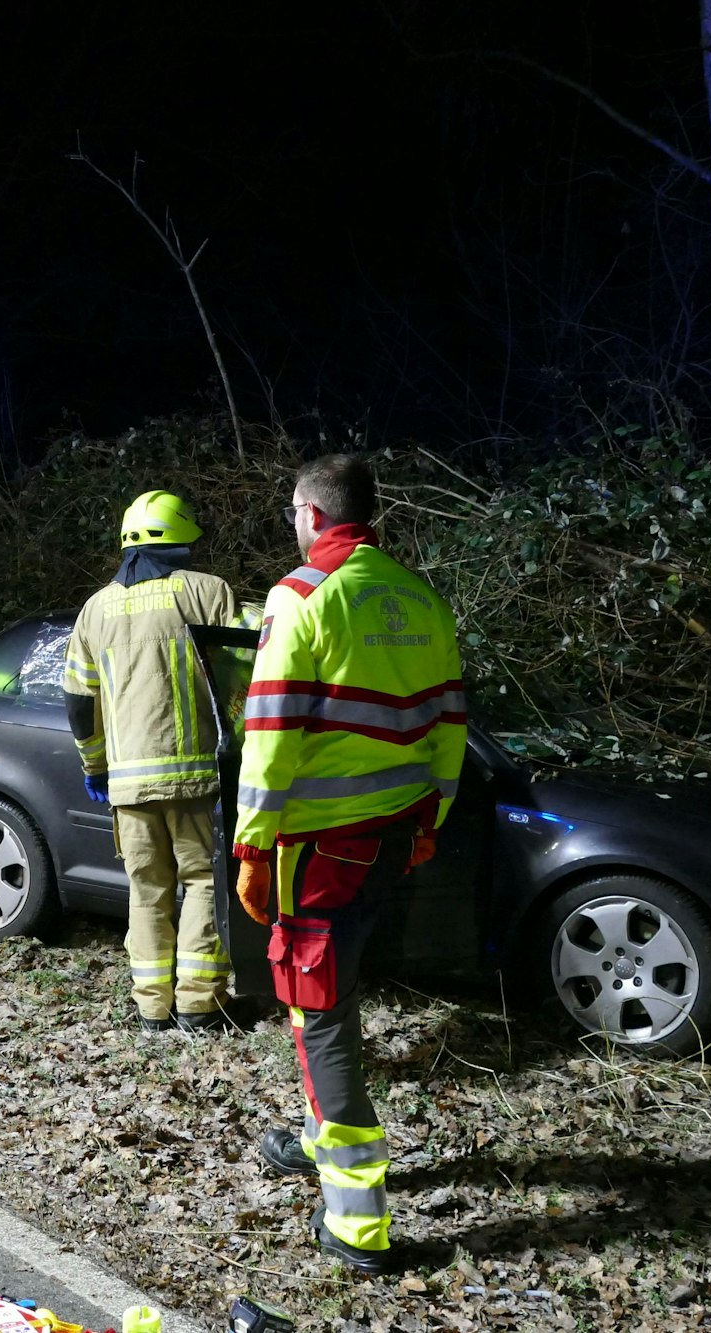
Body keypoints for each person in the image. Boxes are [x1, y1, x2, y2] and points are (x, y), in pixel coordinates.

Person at [231, 454, 467, 1274]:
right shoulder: (422, 600)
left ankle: (357, 1221)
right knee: (332, 999)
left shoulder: (301, 598)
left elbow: (270, 738)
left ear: (309, 513)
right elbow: (450, 731)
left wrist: (253, 845)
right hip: (393, 839)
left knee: (318, 1011)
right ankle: (312, 1138)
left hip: (318, 850)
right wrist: (429, 820)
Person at [63, 489, 239, 1034]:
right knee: (205, 885)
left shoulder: (96, 608)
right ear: (184, 535)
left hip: (129, 789)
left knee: (147, 891)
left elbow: (77, 699)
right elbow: (240, 677)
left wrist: (95, 767)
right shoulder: (207, 593)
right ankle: (198, 1005)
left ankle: (151, 1009)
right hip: (195, 780)